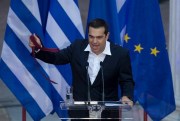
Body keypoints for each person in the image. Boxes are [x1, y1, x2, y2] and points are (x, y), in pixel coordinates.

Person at [29, 18, 134, 119]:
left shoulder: (120, 54)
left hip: (107, 114)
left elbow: (127, 80)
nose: (94, 41)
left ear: (107, 36)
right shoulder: (77, 47)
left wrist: (127, 96)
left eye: (99, 37)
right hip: (79, 113)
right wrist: (38, 49)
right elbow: (56, 58)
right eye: (91, 36)